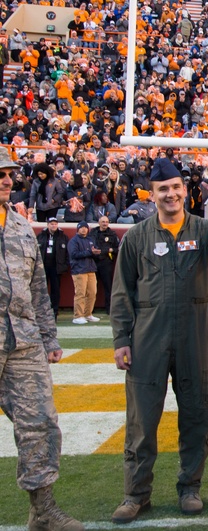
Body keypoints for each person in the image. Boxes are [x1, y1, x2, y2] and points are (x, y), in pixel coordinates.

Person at [109, 157, 208, 523]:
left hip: (193, 339)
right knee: (141, 423)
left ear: (185, 191)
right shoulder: (137, 237)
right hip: (147, 339)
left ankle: (190, 487)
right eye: (163, 189)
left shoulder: (205, 231)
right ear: (152, 193)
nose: (171, 194)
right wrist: (121, 339)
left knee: (197, 415)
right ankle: (136, 494)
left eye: (176, 187)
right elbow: (121, 293)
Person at [0, 148, 84, 531]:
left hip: (24, 341)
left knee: (40, 423)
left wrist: (49, 337)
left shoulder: (20, 227)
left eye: (9, 173)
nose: (6, 179)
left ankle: (43, 511)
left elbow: (38, 291)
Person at [37, 217, 69, 320]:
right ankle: (42, 312)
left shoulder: (63, 237)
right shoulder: (41, 236)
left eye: (55, 224)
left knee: (55, 290)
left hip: (56, 268)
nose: (53, 225)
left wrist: (64, 265)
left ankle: (54, 311)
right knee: (42, 290)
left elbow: (67, 253)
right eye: (51, 224)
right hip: (43, 267)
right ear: (47, 225)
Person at [68, 222, 99, 325]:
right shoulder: (73, 241)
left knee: (92, 292)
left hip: (90, 269)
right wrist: (90, 252)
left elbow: (93, 252)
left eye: (86, 227)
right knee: (80, 293)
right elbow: (74, 254)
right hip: (79, 270)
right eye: (82, 228)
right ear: (78, 229)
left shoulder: (90, 240)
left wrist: (96, 252)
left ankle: (88, 313)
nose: (84, 229)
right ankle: (78, 315)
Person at [92, 216, 119, 313]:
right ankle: (90, 309)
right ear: (99, 222)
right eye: (103, 222)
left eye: (107, 222)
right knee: (92, 287)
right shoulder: (92, 233)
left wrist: (110, 250)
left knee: (108, 286)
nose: (105, 224)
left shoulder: (112, 234)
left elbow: (117, 249)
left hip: (106, 263)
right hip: (93, 262)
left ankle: (109, 308)